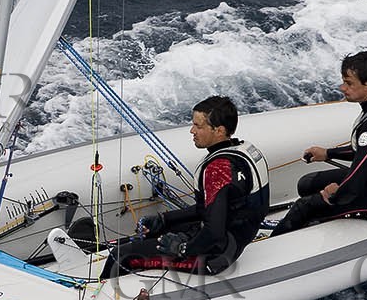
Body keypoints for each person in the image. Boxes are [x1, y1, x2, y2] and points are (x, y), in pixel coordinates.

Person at [106, 96, 270, 277]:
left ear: (219, 130)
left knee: (119, 256)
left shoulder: (218, 169)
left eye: (198, 126)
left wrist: (183, 248)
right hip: (232, 237)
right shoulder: (243, 149)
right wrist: (164, 219)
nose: (192, 131)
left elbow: (214, 232)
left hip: (216, 255)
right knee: (154, 232)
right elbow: (207, 210)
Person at [270, 50, 367, 235]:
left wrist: (334, 194)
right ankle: (316, 220)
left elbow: (352, 188)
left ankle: (274, 243)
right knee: (307, 184)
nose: (342, 88)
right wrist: (328, 153)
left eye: (349, 83)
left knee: (304, 206)